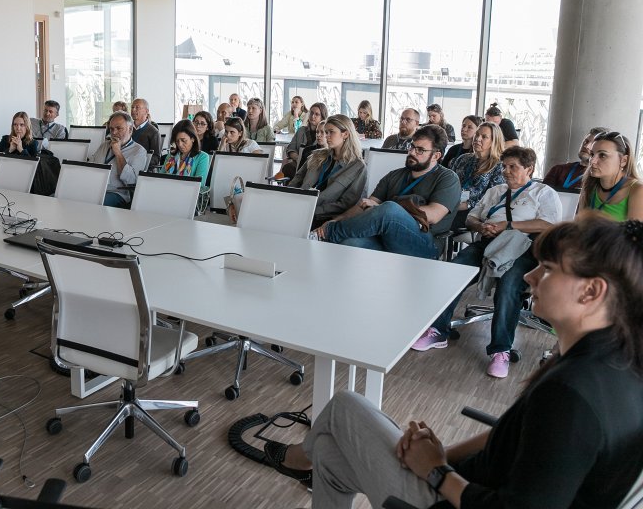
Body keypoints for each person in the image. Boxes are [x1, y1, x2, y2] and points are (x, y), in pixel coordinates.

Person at [263, 215, 643, 509]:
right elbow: (513, 434)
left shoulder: (572, 396)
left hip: (453, 499)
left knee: (345, 405)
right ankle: (308, 458)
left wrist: (437, 472)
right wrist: (442, 453)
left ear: (591, 291)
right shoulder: (611, 360)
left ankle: (299, 457)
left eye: (547, 269)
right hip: (468, 481)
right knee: (330, 454)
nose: (528, 276)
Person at [412, 147, 562, 378]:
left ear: (529, 169)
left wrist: (508, 226)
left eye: (513, 167)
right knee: (455, 271)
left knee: (510, 283)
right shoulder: (495, 191)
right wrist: (482, 227)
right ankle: (438, 330)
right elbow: (473, 217)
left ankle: (501, 350)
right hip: (489, 243)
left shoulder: (543, 193)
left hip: (524, 247)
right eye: (504, 166)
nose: (506, 171)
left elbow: (549, 225)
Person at [315, 125, 460, 259]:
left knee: (389, 209)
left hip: (425, 243)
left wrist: (383, 209)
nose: (412, 152)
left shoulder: (448, 179)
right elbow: (364, 205)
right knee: (349, 243)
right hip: (385, 237)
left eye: (420, 150)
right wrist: (336, 219)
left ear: (436, 156)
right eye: (412, 147)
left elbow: (433, 215)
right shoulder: (395, 175)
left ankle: (326, 234)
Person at [290, 115, 367, 228]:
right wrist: (288, 200)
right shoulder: (316, 155)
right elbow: (296, 181)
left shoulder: (357, 167)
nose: (327, 136)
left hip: (324, 217)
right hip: (299, 207)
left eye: (331, 132)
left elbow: (346, 204)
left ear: (345, 134)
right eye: (326, 132)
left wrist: (313, 209)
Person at [449, 122, 506, 230]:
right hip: (452, 204)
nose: (477, 139)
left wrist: (467, 205)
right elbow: (449, 184)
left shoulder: (500, 166)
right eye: (477, 134)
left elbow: (494, 198)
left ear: (494, 141)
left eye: (484, 137)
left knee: (438, 222)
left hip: (475, 213)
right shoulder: (463, 159)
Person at [578, 130, 643, 221]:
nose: (592, 161)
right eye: (592, 154)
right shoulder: (590, 184)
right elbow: (578, 226)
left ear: (623, 160)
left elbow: (635, 234)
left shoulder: (638, 190)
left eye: (602, 155)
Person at [89, 111, 148, 208]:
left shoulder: (139, 151)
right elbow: (91, 166)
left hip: (117, 193)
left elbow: (132, 181)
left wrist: (118, 153)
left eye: (119, 128)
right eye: (111, 129)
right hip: (96, 189)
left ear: (130, 129)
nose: (114, 133)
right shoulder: (104, 145)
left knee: (94, 203)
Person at [542, 126, 608, 191]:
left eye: (593, 144)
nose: (586, 146)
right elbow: (540, 197)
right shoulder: (558, 170)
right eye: (585, 141)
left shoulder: (601, 178)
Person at [280, 102, 327, 179]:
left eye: (317, 114)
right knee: (288, 167)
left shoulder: (325, 134)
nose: (313, 116)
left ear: (322, 117)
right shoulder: (301, 130)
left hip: (315, 166)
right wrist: (298, 158)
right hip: (298, 162)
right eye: (311, 113)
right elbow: (290, 148)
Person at [161, 120, 211, 186]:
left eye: (183, 140)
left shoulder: (202, 157)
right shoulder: (171, 156)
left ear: (193, 138)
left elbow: (199, 185)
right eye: (177, 141)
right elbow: (161, 178)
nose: (180, 144)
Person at [130, 98, 162, 169]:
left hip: (141, 169)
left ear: (146, 111)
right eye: (132, 107)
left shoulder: (154, 132)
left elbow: (156, 158)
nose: (133, 110)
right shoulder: (127, 128)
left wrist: (139, 162)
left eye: (137, 107)